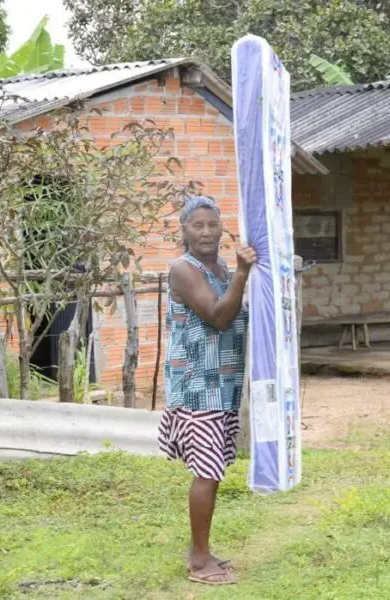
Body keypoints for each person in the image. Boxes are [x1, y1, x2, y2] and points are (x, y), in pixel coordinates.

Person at [158, 195, 257, 586]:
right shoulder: (183, 269)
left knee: (212, 470)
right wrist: (243, 274)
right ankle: (199, 560)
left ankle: (203, 551)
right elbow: (217, 317)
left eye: (212, 224)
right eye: (197, 225)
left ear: (222, 228)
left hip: (223, 381)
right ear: (183, 230)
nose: (206, 232)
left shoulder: (216, 266)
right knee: (206, 470)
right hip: (198, 386)